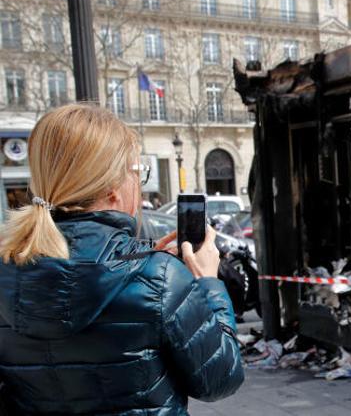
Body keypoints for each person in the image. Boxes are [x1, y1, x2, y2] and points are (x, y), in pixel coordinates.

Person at [0, 104, 244, 414]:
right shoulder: (160, 278)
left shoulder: (7, 270)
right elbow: (220, 379)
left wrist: (136, 260)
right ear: (113, 189)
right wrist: (208, 282)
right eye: (137, 172)